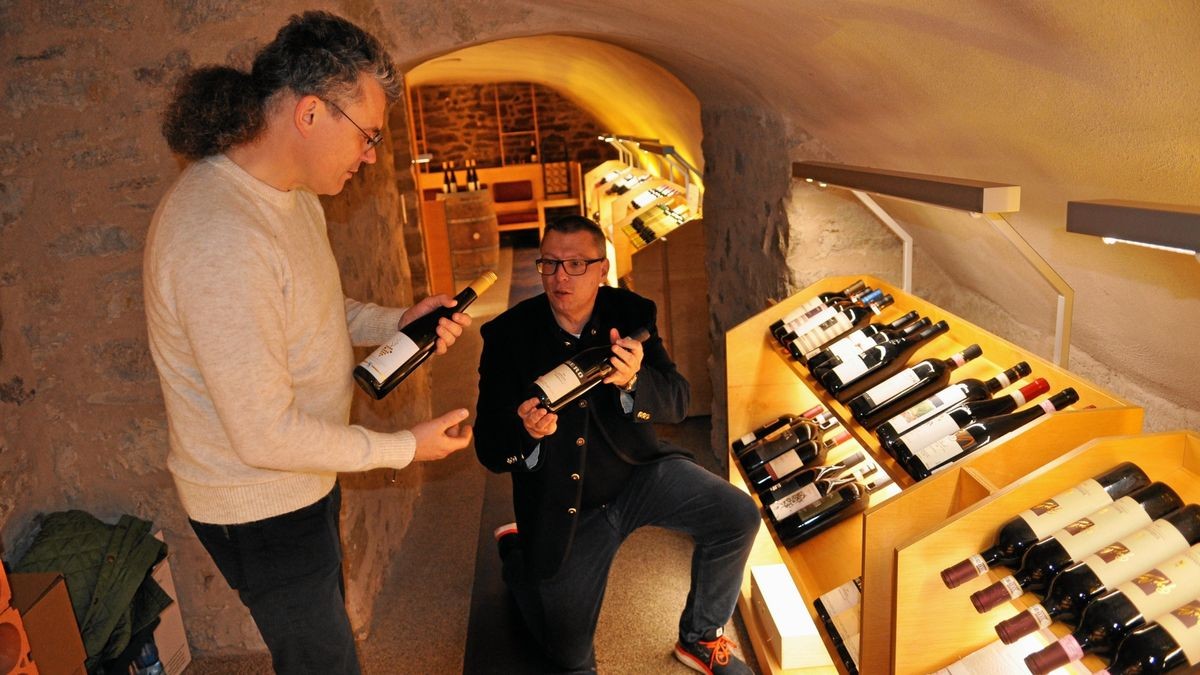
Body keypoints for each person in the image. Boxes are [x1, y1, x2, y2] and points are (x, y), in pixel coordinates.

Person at [143, 12, 473, 674]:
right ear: (310, 113)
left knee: (327, 642)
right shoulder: (221, 236)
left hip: (300, 478)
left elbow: (314, 308)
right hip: (259, 501)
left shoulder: (291, 198)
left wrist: (396, 319)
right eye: (370, 135)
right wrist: (406, 447)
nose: (373, 155)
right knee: (323, 662)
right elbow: (262, 435)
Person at [474, 215, 761, 674]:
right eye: (549, 264)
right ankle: (518, 556)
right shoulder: (507, 336)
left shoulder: (630, 313)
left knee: (738, 514)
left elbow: (679, 401)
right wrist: (525, 435)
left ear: (602, 269)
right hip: (567, 504)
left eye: (575, 264)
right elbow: (488, 448)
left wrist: (633, 383)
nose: (560, 277)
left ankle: (701, 638)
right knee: (569, 658)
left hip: (638, 472)